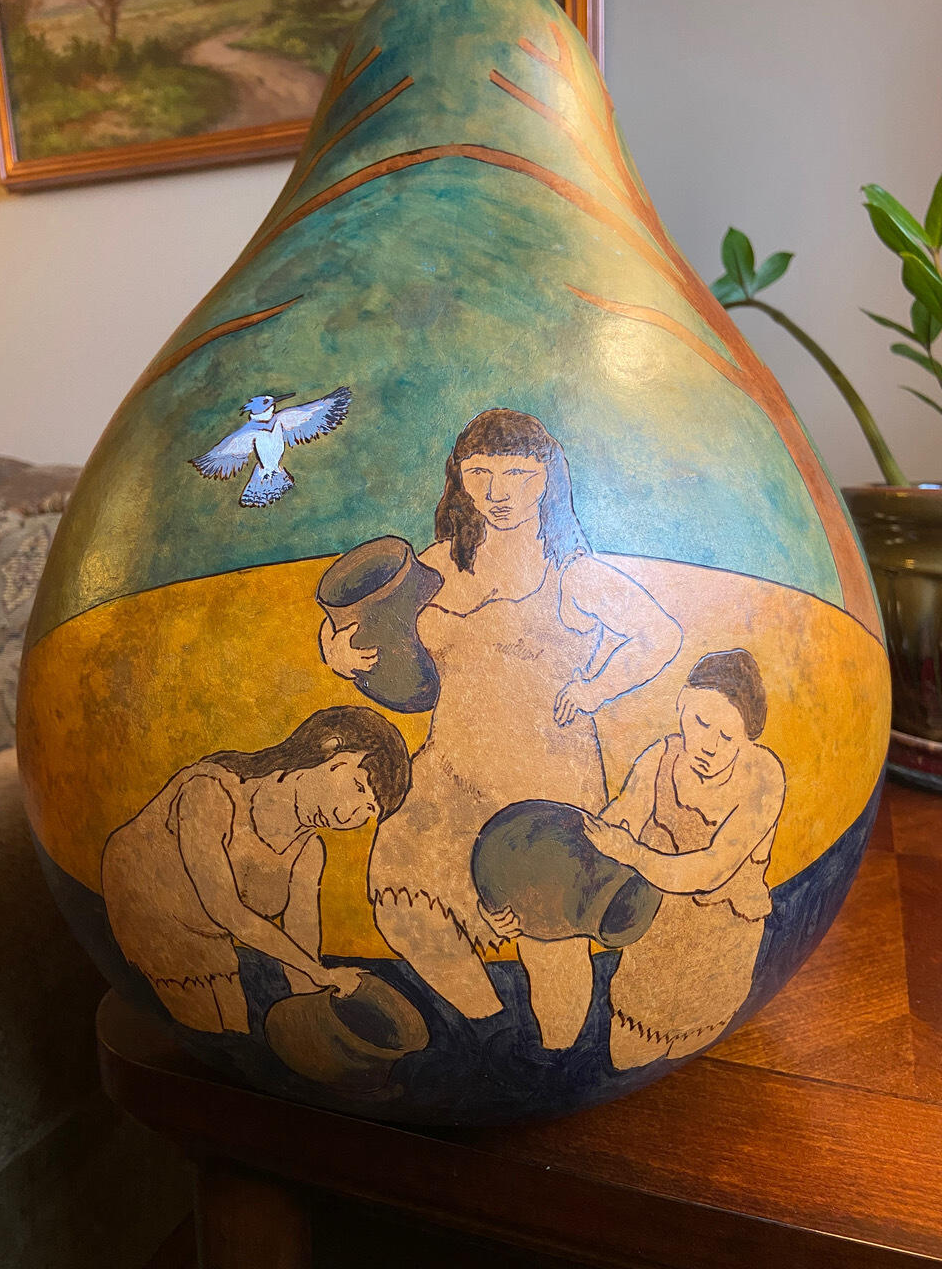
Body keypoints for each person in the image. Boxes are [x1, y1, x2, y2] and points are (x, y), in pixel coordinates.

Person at [320, 409, 682, 1049]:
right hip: (450, 773)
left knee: (550, 930)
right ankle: (488, 1027)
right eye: (480, 472)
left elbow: (660, 634)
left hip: (546, 781)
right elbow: (360, 622)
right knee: (402, 900)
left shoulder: (573, 572)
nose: (498, 491)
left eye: (518, 473)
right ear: (459, 477)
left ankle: (555, 1054)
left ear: (547, 480)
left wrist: (596, 688)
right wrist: (338, 654)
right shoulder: (436, 564)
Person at [101, 706, 410, 1033]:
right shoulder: (210, 790)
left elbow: (302, 947)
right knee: (212, 1028)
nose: (350, 817)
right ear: (330, 749)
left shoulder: (308, 852)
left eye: (368, 811)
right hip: (147, 908)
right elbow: (226, 910)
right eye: (359, 789)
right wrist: (321, 973)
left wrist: (317, 1008)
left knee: (236, 1028)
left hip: (209, 933)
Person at [582, 649, 785, 1070]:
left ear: (748, 738)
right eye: (700, 722)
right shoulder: (659, 760)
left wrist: (631, 852)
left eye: (727, 737)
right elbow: (612, 828)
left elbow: (709, 870)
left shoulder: (763, 777)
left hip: (717, 957)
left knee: (700, 1068)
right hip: (651, 949)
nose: (708, 745)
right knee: (624, 1062)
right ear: (681, 703)